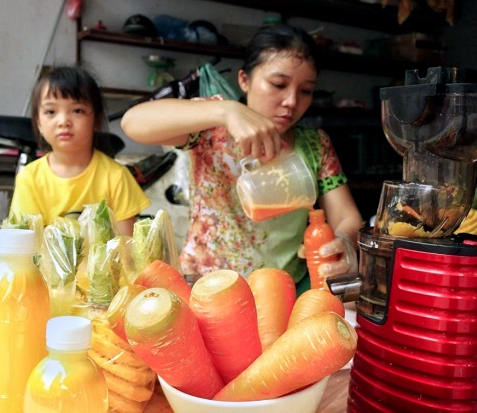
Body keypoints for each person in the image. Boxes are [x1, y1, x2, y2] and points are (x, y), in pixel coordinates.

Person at [121, 24, 365, 287]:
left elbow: (346, 217)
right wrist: (226, 111)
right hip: (206, 286)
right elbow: (133, 122)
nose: (292, 101)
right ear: (244, 80)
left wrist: (343, 241)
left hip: (279, 291)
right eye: (278, 84)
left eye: (306, 90)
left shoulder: (315, 145)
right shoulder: (211, 127)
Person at [9, 66, 150, 235]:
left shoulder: (117, 176)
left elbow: (126, 247)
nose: (63, 121)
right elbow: (25, 246)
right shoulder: (29, 178)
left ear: (96, 120)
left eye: (77, 110)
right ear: (39, 123)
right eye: (51, 111)